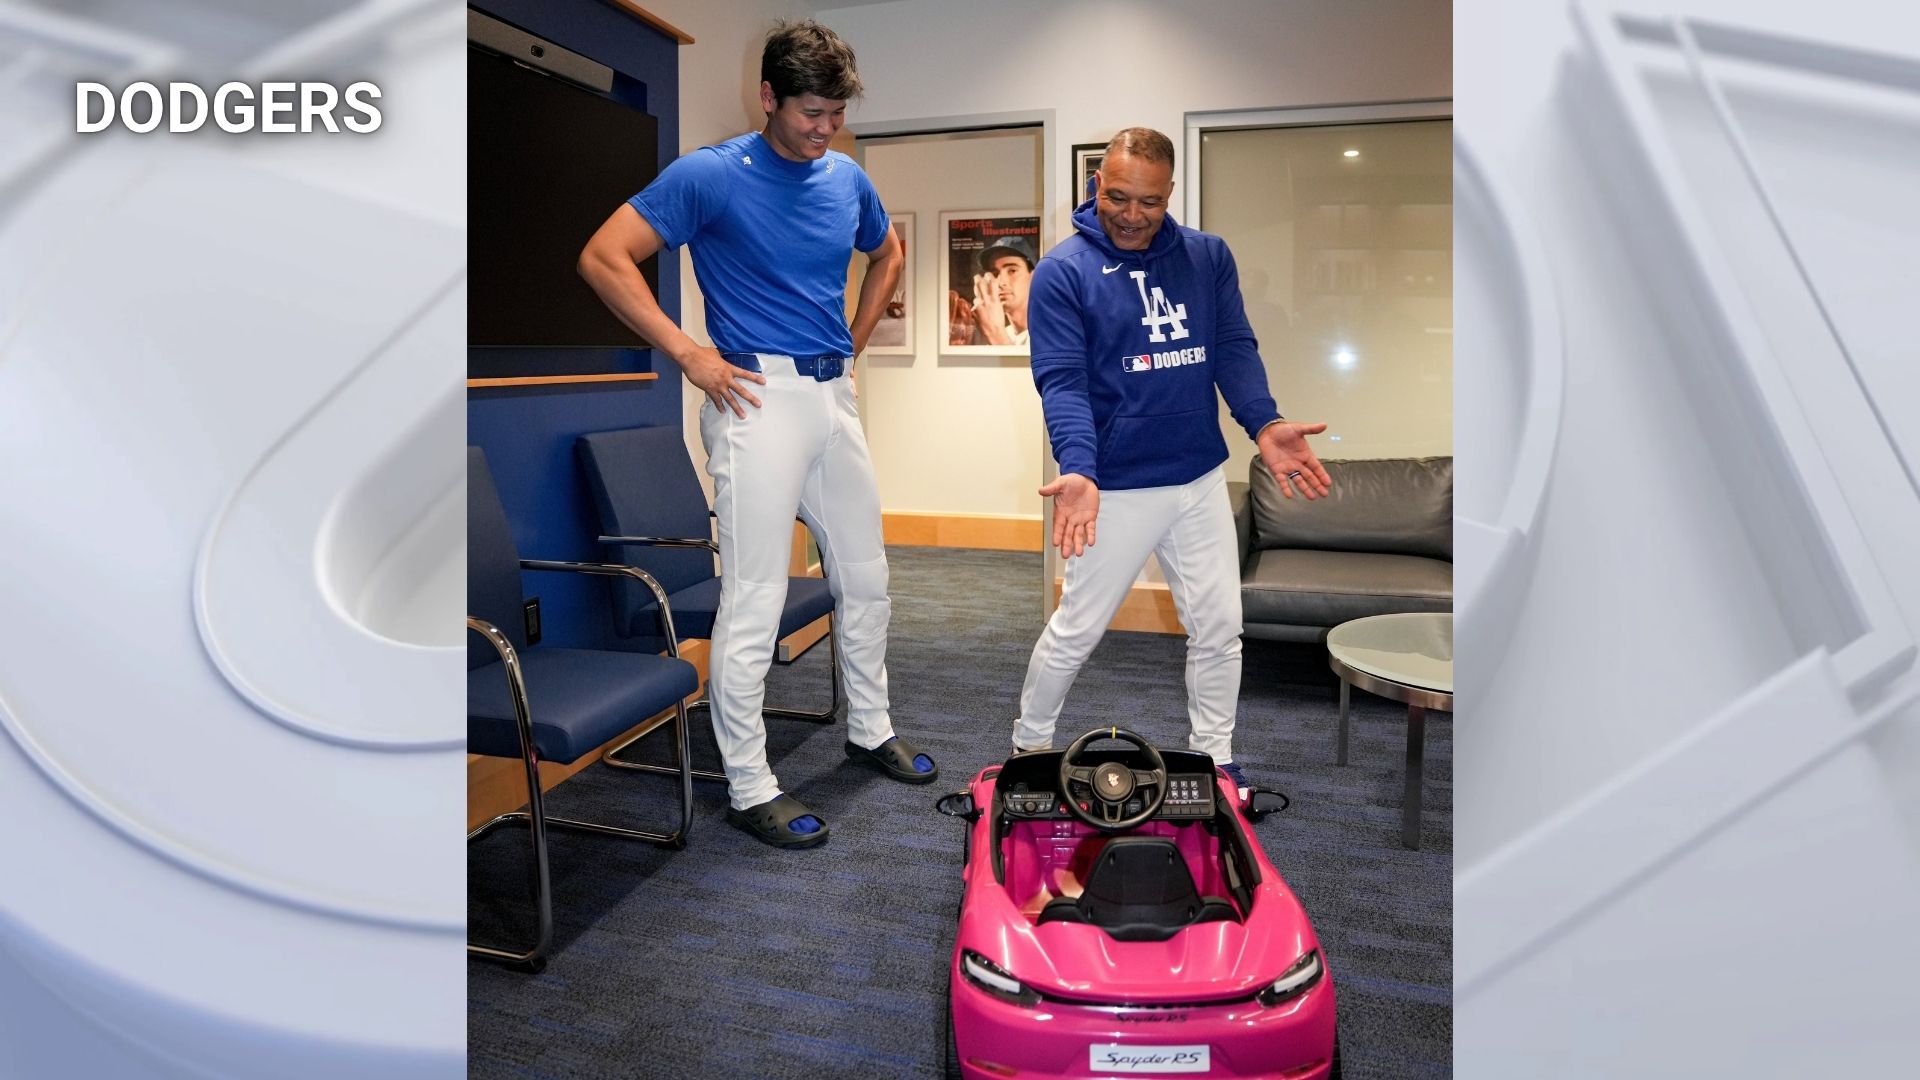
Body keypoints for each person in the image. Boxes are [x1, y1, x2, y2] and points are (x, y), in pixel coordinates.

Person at [578, 20, 936, 850]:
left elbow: (888, 252)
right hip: (751, 398)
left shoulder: (846, 178)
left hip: (830, 394)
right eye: (811, 112)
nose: (824, 129)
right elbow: (604, 256)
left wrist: (853, 340)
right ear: (768, 97)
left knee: (867, 577)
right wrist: (687, 352)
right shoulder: (711, 174)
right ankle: (749, 783)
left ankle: (870, 728)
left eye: (835, 115)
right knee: (756, 601)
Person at [1012, 127, 1332, 798]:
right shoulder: (1064, 273)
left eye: (1149, 202)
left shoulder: (1207, 257)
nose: (1132, 215)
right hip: (1117, 486)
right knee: (1077, 630)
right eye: (1118, 197)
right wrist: (1080, 465)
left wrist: (1263, 421)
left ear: (1170, 194)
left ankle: (1215, 757)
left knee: (1221, 627)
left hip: (1197, 478)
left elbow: (1232, 347)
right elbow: (1063, 381)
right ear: (1097, 184)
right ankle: (1028, 746)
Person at [970, 234, 1034, 347]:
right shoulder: (1001, 333)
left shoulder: (1049, 335)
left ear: (1033, 276)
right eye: (995, 273)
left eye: (1012, 271)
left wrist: (994, 333)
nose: (1000, 282)